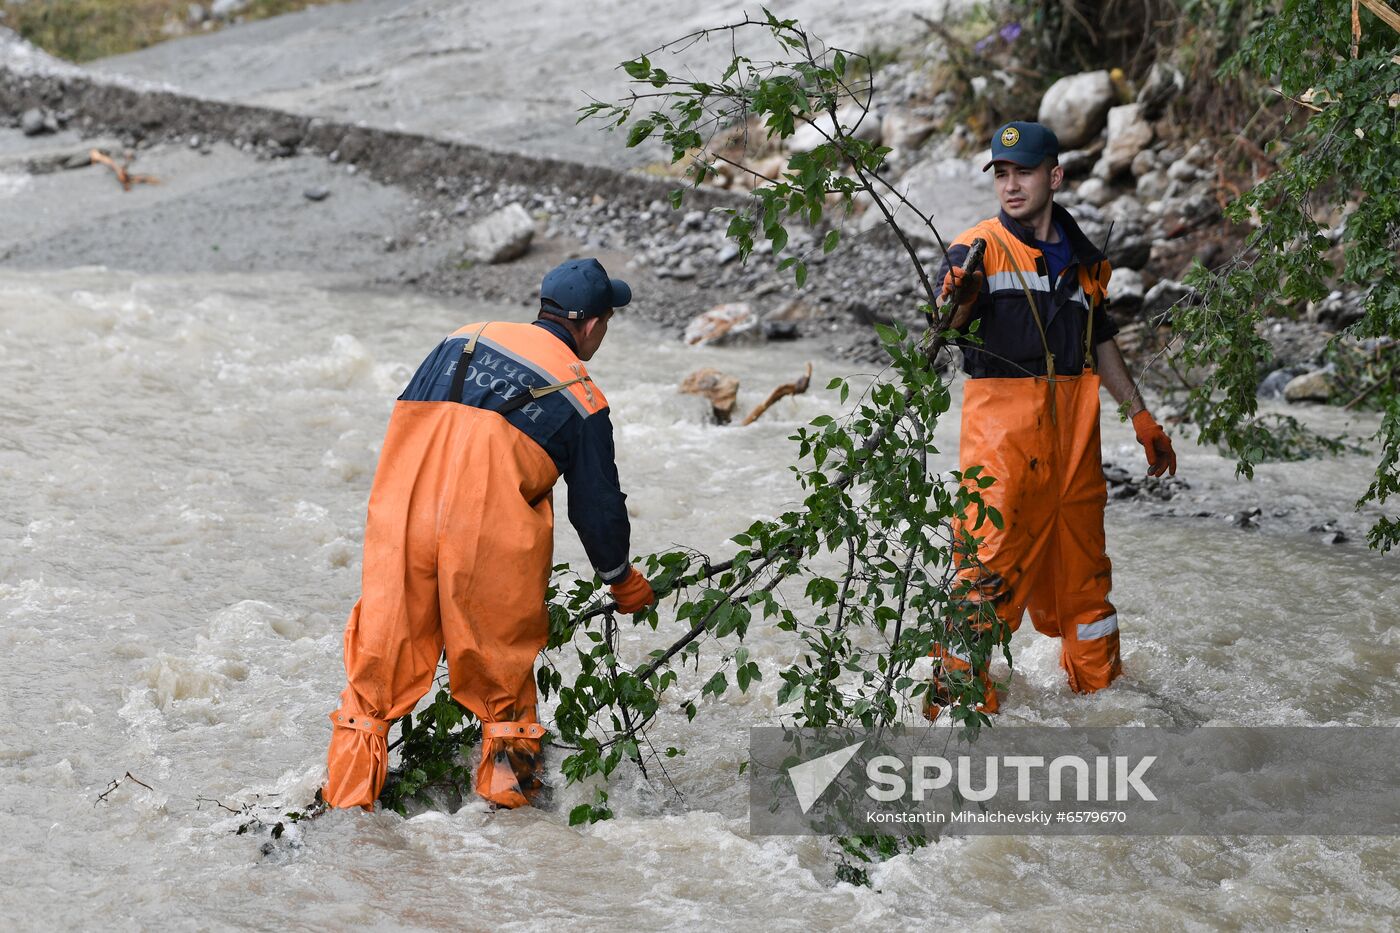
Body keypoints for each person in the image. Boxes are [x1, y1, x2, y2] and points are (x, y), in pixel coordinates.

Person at [323, 257, 657, 810]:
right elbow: (595, 508)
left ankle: (344, 816)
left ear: (543, 303)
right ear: (594, 326)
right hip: (486, 537)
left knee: (374, 679)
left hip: (400, 518)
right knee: (504, 689)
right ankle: (508, 829)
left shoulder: (460, 340)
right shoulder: (582, 393)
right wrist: (621, 580)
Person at [926, 121, 1177, 719]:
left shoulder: (1084, 258)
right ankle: (958, 723)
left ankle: (1105, 711)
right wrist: (959, 297)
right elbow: (944, 328)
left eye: (1024, 172)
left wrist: (1140, 416)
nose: (1011, 186)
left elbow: (1103, 340)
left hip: (1074, 458)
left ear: (1054, 176)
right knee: (981, 586)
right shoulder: (977, 248)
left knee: (1088, 593)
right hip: (1003, 459)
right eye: (1002, 174)